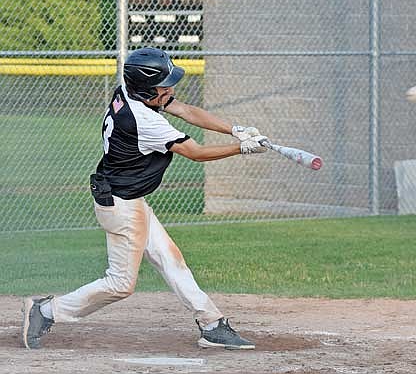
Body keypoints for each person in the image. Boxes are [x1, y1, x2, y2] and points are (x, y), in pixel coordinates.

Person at [21, 47, 268, 350]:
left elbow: (186, 110)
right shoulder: (143, 122)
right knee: (120, 284)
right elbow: (196, 153)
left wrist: (235, 130)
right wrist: (241, 149)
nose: (171, 90)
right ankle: (45, 311)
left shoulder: (130, 91)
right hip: (122, 206)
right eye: (165, 86)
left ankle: (211, 323)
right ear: (148, 90)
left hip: (129, 199)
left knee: (171, 260)